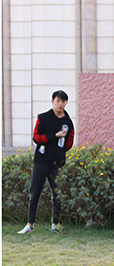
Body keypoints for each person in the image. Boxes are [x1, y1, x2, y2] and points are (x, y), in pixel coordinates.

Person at [18, 90, 75, 234]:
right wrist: (54, 136)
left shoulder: (68, 122)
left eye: (63, 101)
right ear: (52, 101)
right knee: (34, 192)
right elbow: (36, 137)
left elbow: (69, 142)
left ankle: (55, 224)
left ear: (66, 103)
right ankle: (30, 224)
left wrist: (59, 152)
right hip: (41, 161)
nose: (60, 104)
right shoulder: (43, 118)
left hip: (57, 163)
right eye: (58, 101)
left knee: (57, 194)